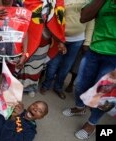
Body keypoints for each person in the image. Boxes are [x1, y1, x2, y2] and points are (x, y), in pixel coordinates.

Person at [62, 0, 116, 140]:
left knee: (103, 95)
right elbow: (84, 17)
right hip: (94, 50)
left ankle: (92, 123)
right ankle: (80, 108)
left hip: (114, 58)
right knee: (80, 84)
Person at [40, 0, 94, 99]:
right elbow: (54, 17)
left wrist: (87, 42)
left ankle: (58, 87)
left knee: (67, 66)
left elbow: (91, 21)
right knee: (53, 63)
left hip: (77, 39)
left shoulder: (89, 1)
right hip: (59, 38)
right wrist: (57, 37)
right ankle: (46, 85)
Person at [16, 0, 66, 97]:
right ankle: (17, 85)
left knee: (36, 65)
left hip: (44, 38)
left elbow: (59, 19)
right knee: (22, 61)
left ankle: (31, 87)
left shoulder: (57, 1)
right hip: (26, 36)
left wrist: (59, 39)